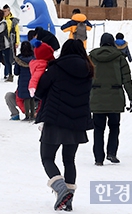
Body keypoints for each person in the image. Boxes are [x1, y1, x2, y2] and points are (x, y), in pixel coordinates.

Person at [36, 39, 94, 211]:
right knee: (69, 160)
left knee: (47, 157)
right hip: (77, 122)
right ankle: (68, 200)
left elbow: (39, 91)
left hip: (55, 119)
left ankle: (60, 188)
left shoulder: (55, 68)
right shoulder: (88, 70)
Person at [89, 33, 132, 165]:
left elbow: (86, 78)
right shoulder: (120, 57)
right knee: (114, 127)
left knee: (98, 129)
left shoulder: (91, 57)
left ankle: (98, 158)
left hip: (97, 98)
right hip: (115, 97)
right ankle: (112, 153)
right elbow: (127, 79)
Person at [7, 41, 34, 121]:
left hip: (22, 83)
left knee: (25, 98)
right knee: (32, 98)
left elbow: (16, 72)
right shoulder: (34, 59)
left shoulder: (19, 59)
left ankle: (27, 116)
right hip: (32, 82)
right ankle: (32, 115)